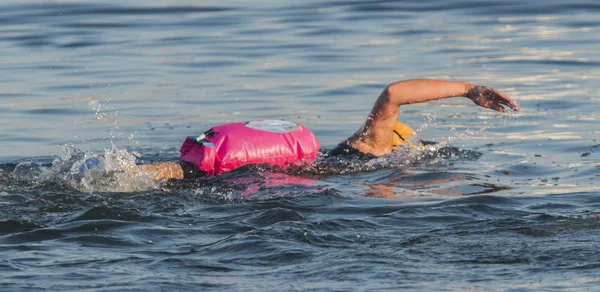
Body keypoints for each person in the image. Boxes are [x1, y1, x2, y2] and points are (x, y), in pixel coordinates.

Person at [132, 78, 519, 181]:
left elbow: (392, 92)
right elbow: (394, 94)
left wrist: (469, 89)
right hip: (291, 178)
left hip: (281, 166)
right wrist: (469, 91)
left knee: (187, 173)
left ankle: (126, 172)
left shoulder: (355, 145)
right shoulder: (376, 149)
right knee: (202, 179)